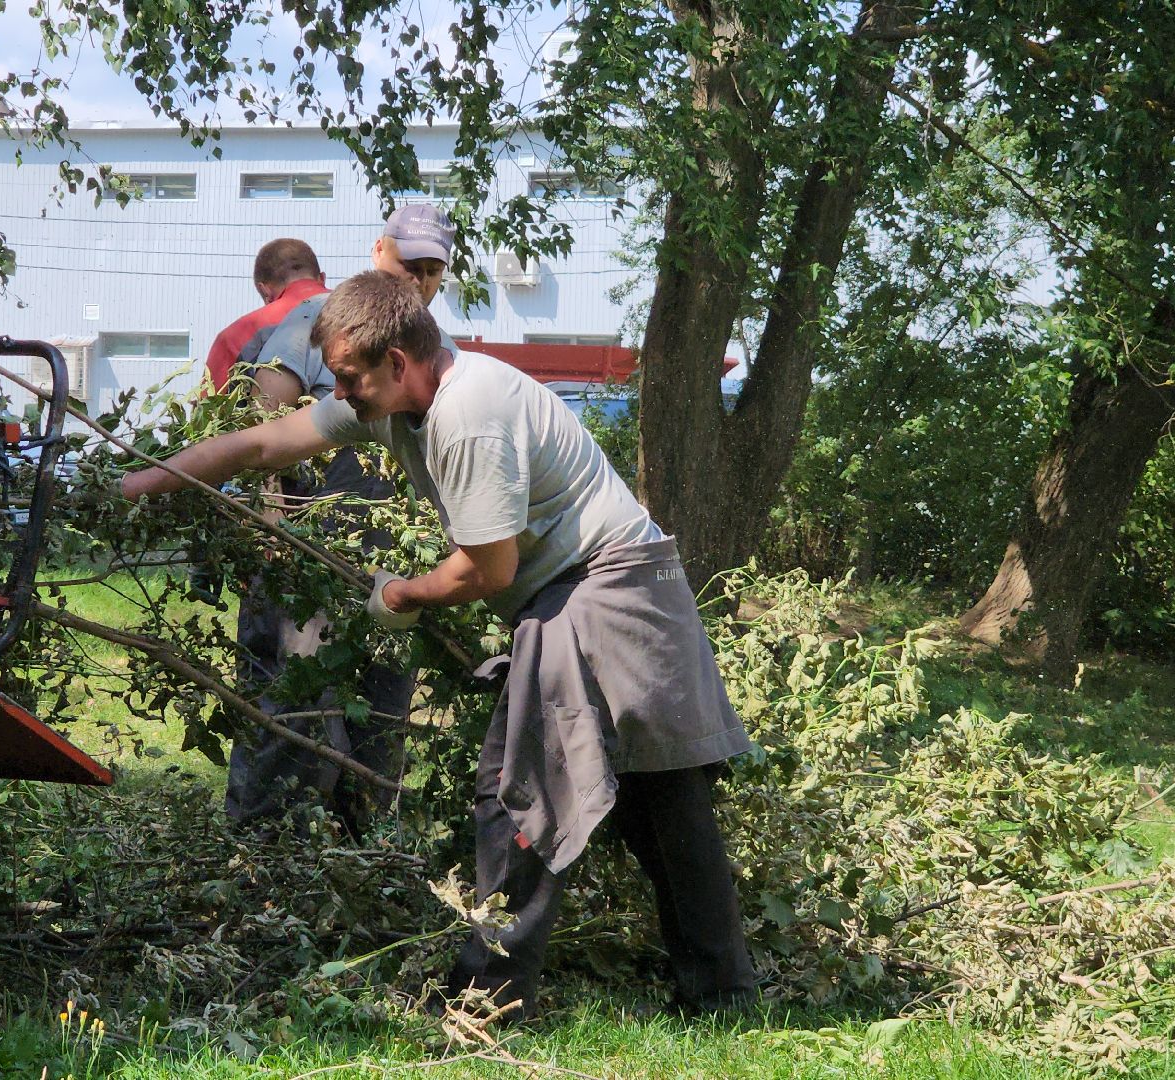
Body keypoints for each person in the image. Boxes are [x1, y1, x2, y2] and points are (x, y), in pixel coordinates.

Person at [120, 271, 757, 1017]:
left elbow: (489, 569)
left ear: (398, 360)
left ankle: (487, 999)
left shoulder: (468, 414)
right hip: (615, 586)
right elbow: (265, 443)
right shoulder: (395, 402)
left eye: (351, 378)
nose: (343, 391)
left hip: (606, 589)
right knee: (660, 799)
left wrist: (404, 592)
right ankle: (722, 995)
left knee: (519, 791)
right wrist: (137, 483)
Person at [219, 207, 457, 831]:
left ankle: (362, 861)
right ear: (379, 251)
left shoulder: (438, 350)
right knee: (296, 707)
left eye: (433, 272)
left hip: (391, 564)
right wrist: (270, 514)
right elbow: (260, 415)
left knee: (380, 714)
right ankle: (261, 854)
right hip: (308, 558)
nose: (419, 282)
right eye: (410, 266)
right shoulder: (322, 322)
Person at [202, 238, 330, 393]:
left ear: (264, 291)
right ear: (322, 279)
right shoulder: (355, 309)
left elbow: (209, 408)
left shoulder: (237, 336)